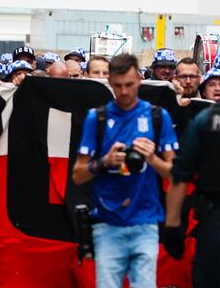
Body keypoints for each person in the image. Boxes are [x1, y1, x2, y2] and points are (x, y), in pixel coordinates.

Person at [72, 54, 178, 288]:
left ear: (139, 80)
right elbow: (78, 175)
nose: (124, 92)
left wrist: (151, 158)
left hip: (146, 224)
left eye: (129, 84)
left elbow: (175, 174)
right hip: (107, 224)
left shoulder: (158, 117)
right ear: (110, 82)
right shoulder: (96, 118)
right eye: (118, 85)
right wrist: (104, 161)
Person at [163, 66, 220, 288]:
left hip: (216, 219)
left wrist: (172, 225)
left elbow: (180, 174)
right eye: (212, 84)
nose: (217, 88)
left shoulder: (208, 119)